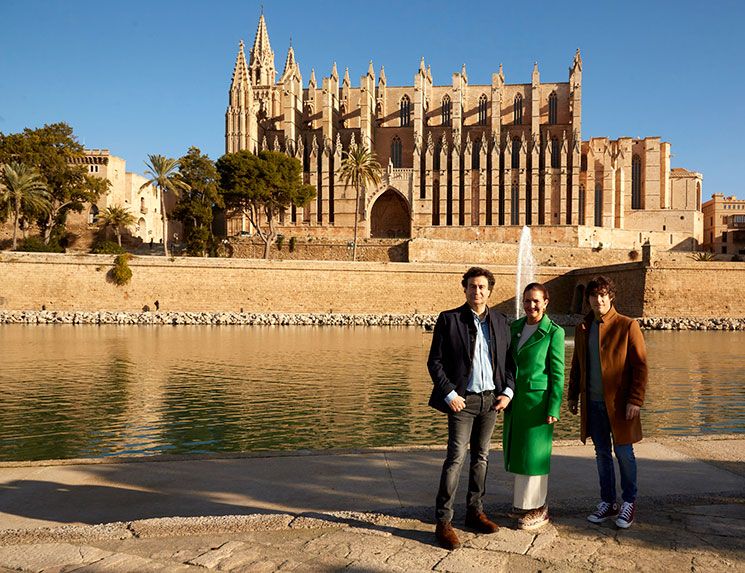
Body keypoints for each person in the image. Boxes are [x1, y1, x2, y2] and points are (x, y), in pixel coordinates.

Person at [428, 266, 516, 550]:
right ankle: (443, 522)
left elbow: (510, 364)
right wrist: (450, 394)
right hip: (462, 403)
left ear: (489, 290)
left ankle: (474, 513)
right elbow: (435, 362)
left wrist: (508, 392)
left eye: (481, 287)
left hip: (491, 400)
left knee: (482, 458)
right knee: (455, 459)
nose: (476, 291)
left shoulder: (502, 322)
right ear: (464, 288)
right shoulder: (449, 319)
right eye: (472, 286)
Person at [567, 275, 648, 529]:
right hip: (593, 403)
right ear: (588, 298)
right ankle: (608, 502)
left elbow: (640, 367)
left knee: (624, 453)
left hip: (621, 405)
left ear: (610, 296)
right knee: (602, 454)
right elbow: (577, 365)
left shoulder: (627, 325)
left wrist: (636, 399)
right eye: (593, 295)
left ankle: (629, 502)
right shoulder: (583, 328)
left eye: (603, 295)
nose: (598, 300)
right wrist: (572, 395)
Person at [503, 283, 564, 530]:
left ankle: (540, 508)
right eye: (527, 300)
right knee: (521, 452)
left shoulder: (553, 332)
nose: (531, 305)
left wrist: (554, 407)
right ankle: (523, 504)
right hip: (516, 400)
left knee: (536, 456)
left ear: (546, 302)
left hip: (538, 402)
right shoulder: (515, 327)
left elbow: (558, 372)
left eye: (536, 301)